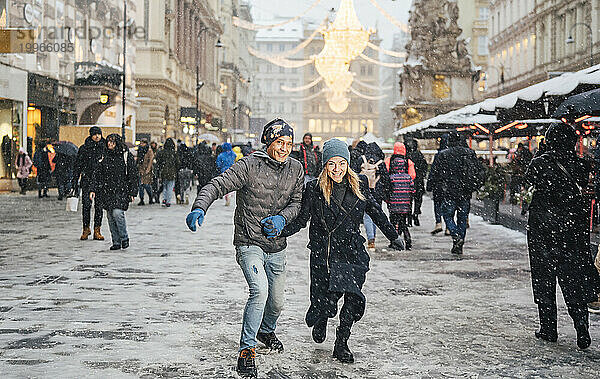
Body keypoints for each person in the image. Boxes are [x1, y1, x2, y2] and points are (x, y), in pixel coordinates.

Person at [186, 118, 303, 378]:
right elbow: (217, 185)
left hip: (277, 244)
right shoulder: (249, 165)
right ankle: (246, 351)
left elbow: (297, 202)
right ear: (268, 142)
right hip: (249, 241)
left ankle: (266, 329)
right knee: (259, 291)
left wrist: (283, 218)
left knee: (277, 301)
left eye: (288, 143)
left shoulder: (296, 168)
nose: (284, 148)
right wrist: (199, 206)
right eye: (279, 142)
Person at [281, 138, 404, 364]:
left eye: (341, 163)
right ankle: (322, 316)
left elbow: (375, 211)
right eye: (331, 164)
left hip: (350, 252)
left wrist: (393, 236)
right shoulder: (315, 188)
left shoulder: (360, 185)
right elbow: (302, 219)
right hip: (324, 254)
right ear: (325, 165)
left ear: (348, 163)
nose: (337, 169)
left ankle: (342, 342)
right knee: (325, 300)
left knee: (353, 297)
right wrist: (280, 232)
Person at [524, 123, 600, 350]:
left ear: (549, 140)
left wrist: (541, 152)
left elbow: (529, 180)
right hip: (572, 230)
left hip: (542, 230)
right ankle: (581, 327)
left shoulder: (540, 163)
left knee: (543, 279)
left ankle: (548, 328)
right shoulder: (581, 165)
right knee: (573, 280)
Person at [427, 131, 485, 255]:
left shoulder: (444, 154)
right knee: (462, 218)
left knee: (447, 215)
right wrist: (474, 185)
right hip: (465, 191)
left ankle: (455, 236)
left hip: (449, 191)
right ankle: (460, 240)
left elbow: (435, 173)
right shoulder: (469, 153)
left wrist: (431, 185)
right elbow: (480, 171)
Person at [90, 134, 139, 250]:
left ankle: (124, 237)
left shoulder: (125, 156)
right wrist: (93, 189)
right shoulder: (104, 156)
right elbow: (97, 174)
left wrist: (133, 192)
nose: (110, 144)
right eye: (108, 142)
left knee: (118, 213)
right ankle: (116, 241)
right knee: (110, 216)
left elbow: (133, 175)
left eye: (112, 142)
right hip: (106, 190)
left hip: (121, 190)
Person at [72, 126, 106, 240]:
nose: (97, 136)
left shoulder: (105, 147)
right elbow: (77, 166)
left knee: (99, 206)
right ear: (91, 135)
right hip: (87, 180)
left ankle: (97, 229)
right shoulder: (84, 148)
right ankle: (86, 228)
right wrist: (75, 181)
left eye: (99, 134)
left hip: (101, 181)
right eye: (95, 134)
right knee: (86, 205)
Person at [360, 143, 390, 250]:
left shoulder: (362, 159)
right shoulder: (380, 162)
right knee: (376, 214)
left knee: (367, 215)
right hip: (377, 191)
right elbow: (386, 178)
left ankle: (370, 238)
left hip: (363, 191)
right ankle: (373, 237)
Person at [387, 152, 415, 250]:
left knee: (394, 224)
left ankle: (395, 241)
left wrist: (389, 201)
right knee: (403, 224)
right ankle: (408, 240)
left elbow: (388, 191)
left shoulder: (391, 178)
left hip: (394, 205)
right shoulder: (408, 178)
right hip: (405, 205)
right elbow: (413, 190)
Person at [427, 134, 449, 235]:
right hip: (449, 185)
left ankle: (438, 223)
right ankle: (449, 226)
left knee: (437, 204)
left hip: (438, 184)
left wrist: (430, 183)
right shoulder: (452, 154)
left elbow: (433, 171)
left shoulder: (439, 154)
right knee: (448, 205)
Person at [405, 139, 428, 226]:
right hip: (418, 180)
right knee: (418, 199)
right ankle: (416, 213)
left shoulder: (405, 156)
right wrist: (421, 175)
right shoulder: (419, 155)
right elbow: (424, 167)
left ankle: (409, 218)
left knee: (408, 200)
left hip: (408, 181)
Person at [155, 138, 180, 207]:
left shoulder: (162, 152)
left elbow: (158, 161)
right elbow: (178, 163)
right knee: (170, 187)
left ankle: (164, 199)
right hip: (172, 172)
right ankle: (168, 201)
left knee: (164, 187)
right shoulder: (174, 153)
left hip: (164, 172)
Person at [137, 139, 154, 205]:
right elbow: (138, 160)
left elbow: (151, 160)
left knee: (146, 185)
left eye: (143, 143)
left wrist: (148, 169)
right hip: (140, 169)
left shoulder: (149, 151)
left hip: (147, 171)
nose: (141, 144)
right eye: (141, 143)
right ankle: (141, 199)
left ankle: (150, 197)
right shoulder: (139, 150)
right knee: (140, 186)